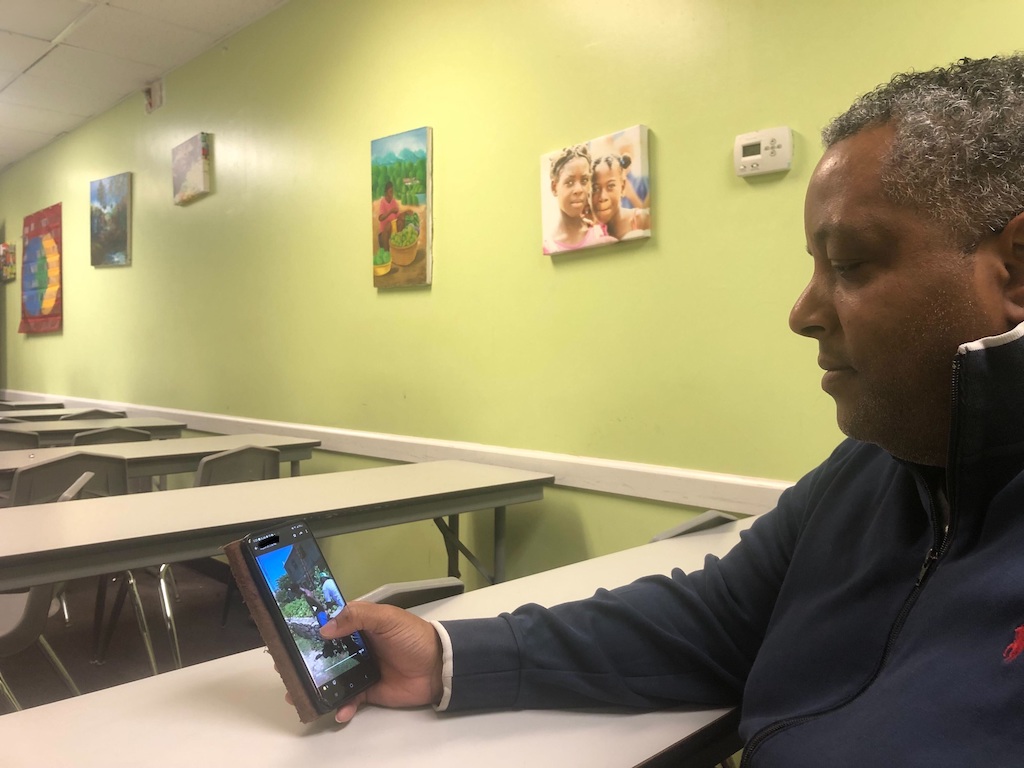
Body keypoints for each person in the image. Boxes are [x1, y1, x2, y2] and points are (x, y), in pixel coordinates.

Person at [317, 55, 1024, 763]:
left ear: (1015, 270)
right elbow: (715, 620)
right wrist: (445, 655)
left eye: (849, 264)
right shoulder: (877, 466)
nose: (802, 314)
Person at [542, 144, 616, 254]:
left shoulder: (601, 234)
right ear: (554, 187)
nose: (579, 190)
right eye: (570, 182)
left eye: (584, 180)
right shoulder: (549, 247)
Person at [590, 153, 651, 240]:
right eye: (595, 189)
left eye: (610, 186)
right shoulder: (589, 232)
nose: (602, 197)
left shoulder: (643, 220)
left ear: (622, 187)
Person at [376, 181, 401, 251]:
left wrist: (398, 213)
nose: (392, 194)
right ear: (386, 192)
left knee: (400, 221)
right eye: (390, 192)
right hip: (385, 231)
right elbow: (380, 218)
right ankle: (387, 252)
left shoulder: (393, 201)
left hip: (393, 229)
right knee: (389, 225)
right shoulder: (383, 202)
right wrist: (390, 211)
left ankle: (399, 248)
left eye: (392, 191)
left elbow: (398, 214)